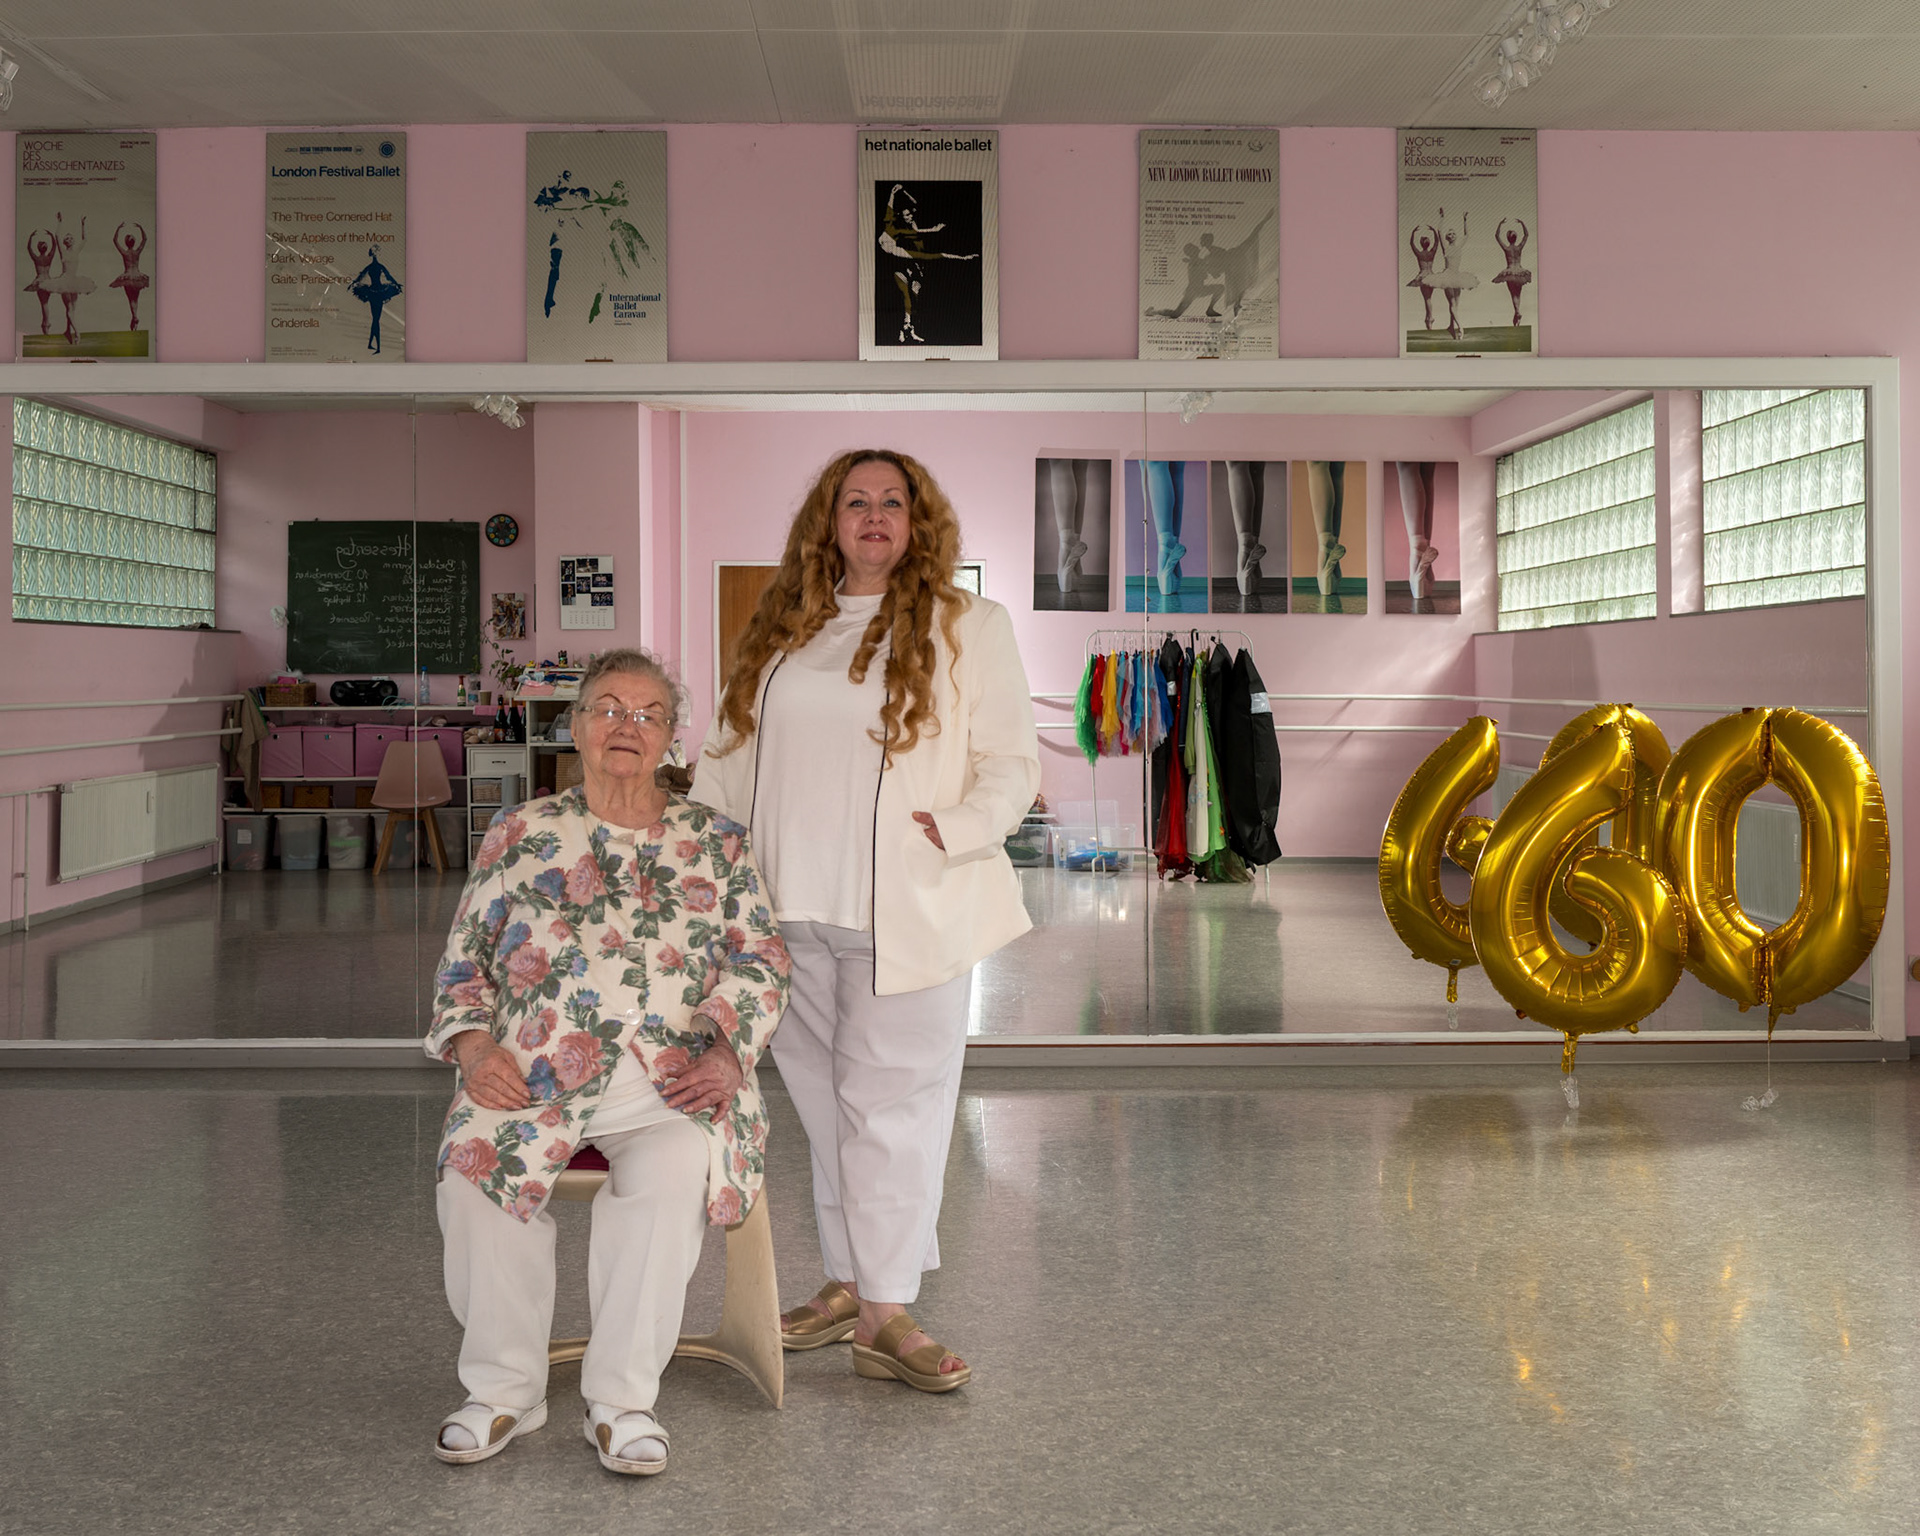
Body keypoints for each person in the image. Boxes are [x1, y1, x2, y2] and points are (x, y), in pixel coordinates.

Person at [692, 449, 1040, 1393]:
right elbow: (727, 753)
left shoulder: (968, 624)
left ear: (917, 523)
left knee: (894, 1112)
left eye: (893, 501)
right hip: (786, 910)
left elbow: (1013, 762)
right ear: (830, 521)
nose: (875, 515)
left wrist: (956, 827)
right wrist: (698, 858)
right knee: (827, 1107)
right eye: (857, 501)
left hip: (907, 906)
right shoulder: (784, 628)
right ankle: (852, 1281)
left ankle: (887, 1312)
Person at [426, 648, 790, 1475]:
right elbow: (464, 961)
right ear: (576, 725)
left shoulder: (717, 841)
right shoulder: (521, 832)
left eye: (648, 714)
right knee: (473, 1174)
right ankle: (503, 1391)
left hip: (672, 1079)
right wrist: (474, 1044)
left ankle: (622, 1402)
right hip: (534, 1071)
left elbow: (762, 961)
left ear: (670, 735)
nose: (628, 727)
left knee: (670, 1174)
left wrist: (729, 1053)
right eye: (610, 710)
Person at [350, 245, 401, 354]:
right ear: (376, 254)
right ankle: (376, 347)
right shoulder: (380, 266)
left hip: (373, 292)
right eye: (377, 252)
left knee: (375, 319)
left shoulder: (370, 267)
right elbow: (388, 277)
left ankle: (373, 345)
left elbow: (360, 276)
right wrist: (396, 284)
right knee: (376, 319)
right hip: (379, 293)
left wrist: (353, 283)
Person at [109, 222, 150, 331]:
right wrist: (141, 227)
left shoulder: (125, 253)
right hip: (137, 277)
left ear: (126, 243)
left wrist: (118, 228)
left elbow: (115, 240)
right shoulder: (137, 252)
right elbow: (145, 239)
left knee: (130, 299)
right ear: (134, 242)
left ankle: (135, 316)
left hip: (127, 277)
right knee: (135, 299)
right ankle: (135, 318)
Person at [1494, 217, 1532, 328]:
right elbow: (1526, 235)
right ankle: (1517, 313)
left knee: (1513, 294)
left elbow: (1497, 236)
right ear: (1515, 238)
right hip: (1519, 272)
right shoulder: (1519, 248)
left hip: (1510, 272)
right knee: (1518, 294)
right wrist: (1522, 223)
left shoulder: (1506, 249)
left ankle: (1517, 312)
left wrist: (1500, 224)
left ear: (1508, 238)